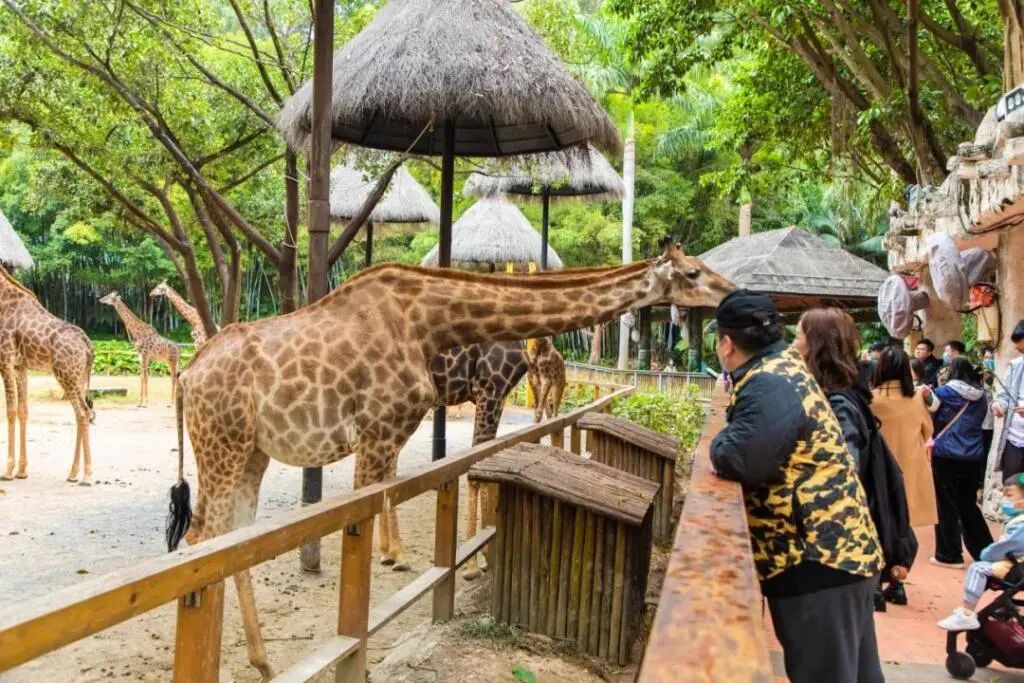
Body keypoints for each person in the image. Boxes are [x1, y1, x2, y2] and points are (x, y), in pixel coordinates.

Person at [709, 290, 883, 683]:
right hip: (837, 555)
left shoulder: (770, 381)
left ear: (726, 343)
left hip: (815, 561)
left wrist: (721, 442)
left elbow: (741, 458)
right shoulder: (783, 367)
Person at [795, 309, 917, 613]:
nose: (792, 345)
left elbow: (841, 472)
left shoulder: (838, 404)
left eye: (797, 336)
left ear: (816, 345)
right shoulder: (848, 394)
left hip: (836, 552)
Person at [871, 348, 938, 604]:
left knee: (876, 523)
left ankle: (876, 583)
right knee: (903, 526)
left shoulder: (871, 398)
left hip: (878, 471)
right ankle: (898, 583)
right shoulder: (915, 400)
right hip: (910, 469)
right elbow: (927, 430)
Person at [938, 473, 1024, 631]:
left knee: (977, 568)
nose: (1004, 500)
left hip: (1016, 569)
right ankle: (1004, 607)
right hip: (1016, 565)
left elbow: (1007, 546)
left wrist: (987, 555)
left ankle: (967, 614)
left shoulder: (1020, 524)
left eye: (1009, 495)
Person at [931, 357, 994, 568]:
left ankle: (948, 554)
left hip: (946, 455)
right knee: (968, 505)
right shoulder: (981, 396)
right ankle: (985, 551)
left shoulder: (945, 392)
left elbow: (932, 411)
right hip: (973, 455)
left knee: (946, 504)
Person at [993, 320, 1024, 477]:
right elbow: (1003, 396)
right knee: (1013, 485)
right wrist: (998, 405)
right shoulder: (1015, 365)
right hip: (1015, 439)